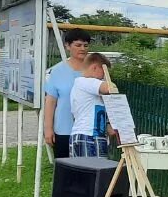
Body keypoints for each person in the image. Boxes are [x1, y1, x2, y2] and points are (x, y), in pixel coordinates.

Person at [43, 30, 92, 159]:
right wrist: (48, 128)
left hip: (89, 132)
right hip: (64, 130)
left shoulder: (95, 70)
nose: (82, 49)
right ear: (67, 46)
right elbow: (50, 101)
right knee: (65, 171)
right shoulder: (57, 71)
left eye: (85, 45)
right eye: (78, 45)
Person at [68, 53, 119, 158]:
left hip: (88, 136)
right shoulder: (86, 82)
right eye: (104, 72)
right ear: (95, 67)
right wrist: (107, 81)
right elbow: (110, 88)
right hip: (89, 136)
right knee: (93, 172)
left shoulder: (89, 89)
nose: (103, 77)